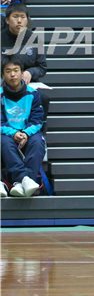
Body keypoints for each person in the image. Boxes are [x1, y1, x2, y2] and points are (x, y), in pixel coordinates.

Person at [1, 57, 45, 198]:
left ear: (22, 73)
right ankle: (24, 179)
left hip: (28, 132)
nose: (12, 74)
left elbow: (38, 121)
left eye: (16, 70)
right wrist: (13, 133)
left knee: (38, 142)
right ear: (3, 75)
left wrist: (26, 133)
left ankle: (21, 184)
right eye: (8, 71)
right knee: (4, 142)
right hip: (6, 134)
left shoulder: (33, 93)